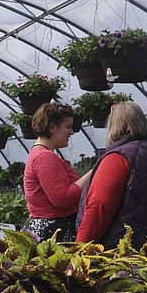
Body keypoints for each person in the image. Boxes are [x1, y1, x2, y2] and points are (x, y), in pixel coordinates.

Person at [76, 101, 147, 248]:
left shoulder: (118, 158)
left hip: (131, 255)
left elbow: (99, 208)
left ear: (113, 125)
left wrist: (80, 248)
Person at [22, 103, 93, 241]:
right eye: (68, 127)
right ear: (53, 127)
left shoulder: (40, 154)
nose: (71, 132)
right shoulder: (44, 157)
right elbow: (62, 198)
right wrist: (93, 172)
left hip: (48, 229)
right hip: (51, 232)